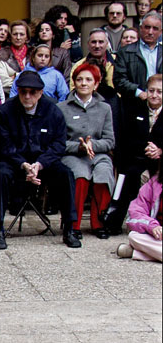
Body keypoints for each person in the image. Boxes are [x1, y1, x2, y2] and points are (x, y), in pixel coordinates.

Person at [0, 71, 81, 250]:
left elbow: (58, 144)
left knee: (66, 174)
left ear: (40, 93)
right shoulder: (5, 111)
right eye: (23, 91)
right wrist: (23, 165)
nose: (27, 96)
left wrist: (39, 164)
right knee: (0, 174)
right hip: (14, 160)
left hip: (43, 161)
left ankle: (69, 229)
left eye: (32, 92)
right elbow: (3, 144)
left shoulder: (53, 111)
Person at [58, 63, 116, 239]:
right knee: (80, 176)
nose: (84, 83)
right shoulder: (62, 107)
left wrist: (92, 146)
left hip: (98, 155)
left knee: (103, 173)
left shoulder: (105, 108)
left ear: (96, 84)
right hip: (73, 155)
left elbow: (109, 141)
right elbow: (59, 142)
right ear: (74, 82)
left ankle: (99, 223)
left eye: (88, 80)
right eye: (80, 79)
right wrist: (80, 147)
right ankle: (73, 225)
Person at [104, 74, 162, 234]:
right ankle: (114, 222)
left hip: (160, 163)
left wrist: (160, 150)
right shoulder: (135, 109)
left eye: (159, 91)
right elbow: (125, 137)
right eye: (151, 90)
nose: (155, 95)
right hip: (136, 159)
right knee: (128, 177)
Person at [113, 11, 162, 105]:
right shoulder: (125, 52)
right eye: (147, 27)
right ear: (140, 28)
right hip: (134, 104)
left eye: (155, 29)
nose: (150, 32)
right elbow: (119, 80)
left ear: (161, 32)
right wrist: (139, 92)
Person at [116, 165, 162, 262]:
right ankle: (149, 252)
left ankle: (137, 253)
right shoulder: (154, 184)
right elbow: (135, 213)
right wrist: (152, 226)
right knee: (134, 236)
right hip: (158, 236)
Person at [0, 20, 30, 94]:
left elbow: (40, 76)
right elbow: (2, 81)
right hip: (9, 95)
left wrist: (15, 76)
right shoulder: (2, 55)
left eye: (22, 34)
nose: (18, 37)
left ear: (27, 37)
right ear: (10, 37)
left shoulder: (34, 53)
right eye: (15, 34)